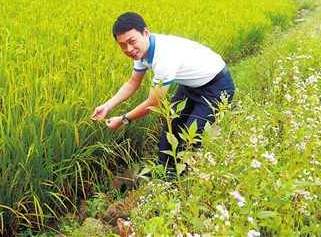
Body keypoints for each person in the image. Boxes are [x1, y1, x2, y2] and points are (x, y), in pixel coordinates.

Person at [91, 12, 235, 168]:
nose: (129, 49)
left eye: (132, 41)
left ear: (146, 32)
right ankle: (164, 170)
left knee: (191, 137)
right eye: (123, 45)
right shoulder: (141, 52)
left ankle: (185, 179)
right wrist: (108, 105)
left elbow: (154, 103)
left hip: (217, 86)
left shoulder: (164, 56)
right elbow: (133, 82)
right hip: (190, 86)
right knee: (171, 126)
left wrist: (124, 119)